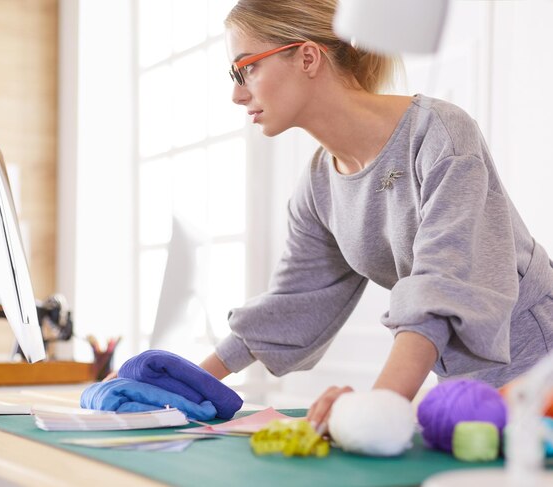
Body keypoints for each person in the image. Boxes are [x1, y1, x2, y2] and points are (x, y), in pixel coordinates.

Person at [197, 0, 553, 434]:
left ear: (308, 57)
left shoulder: (439, 132)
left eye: (244, 69)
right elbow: (294, 302)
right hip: (461, 387)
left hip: (540, 364)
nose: (236, 93)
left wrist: (378, 408)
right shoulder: (319, 183)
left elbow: (441, 284)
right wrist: (190, 384)